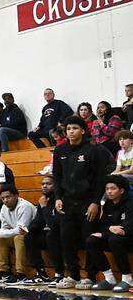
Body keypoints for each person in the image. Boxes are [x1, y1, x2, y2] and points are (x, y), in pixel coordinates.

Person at [53, 116, 116, 290]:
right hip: (66, 201)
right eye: (68, 129)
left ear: (82, 130)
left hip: (87, 201)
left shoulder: (93, 150)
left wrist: (96, 202)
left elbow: (100, 178)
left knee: (88, 237)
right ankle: (73, 275)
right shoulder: (60, 151)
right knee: (66, 239)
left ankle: (89, 276)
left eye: (74, 128)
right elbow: (57, 177)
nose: (71, 131)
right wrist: (58, 197)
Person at [86, 176, 133, 292]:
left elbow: (127, 228)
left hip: (130, 238)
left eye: (113, 188)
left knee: (114, 239)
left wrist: (108, 232)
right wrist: (109, 230)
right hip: (115, 238)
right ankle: (109, 278)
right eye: (107, 189)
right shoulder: (108, 204)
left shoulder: (130, 203)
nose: (109, 191)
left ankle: (127, 278)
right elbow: (104, 225)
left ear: (121, 190)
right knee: (92, 240)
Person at [0, 184, 36, 284]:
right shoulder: (4, 208)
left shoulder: (24, 206)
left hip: (33, 236)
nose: (5, 200)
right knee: (1, 238)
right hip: (17, 235)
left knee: (18, 237)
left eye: (8, 197)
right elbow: (4, 228)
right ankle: (4, 271)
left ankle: (20, 274)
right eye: (3, 198)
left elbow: (22, 230)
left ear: (16, 196)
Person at [21, 176, 63, 286]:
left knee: (51, 235)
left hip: (63, 234)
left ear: (56, 186)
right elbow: (38, 222)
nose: (44, 186)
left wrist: (44, 207)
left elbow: (54, 225)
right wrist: (28, 230)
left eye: (48, 184)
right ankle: (41, 273)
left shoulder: (60, 201)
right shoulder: (44, 200)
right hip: (52, 234)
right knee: (29, 236)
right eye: (43, 183)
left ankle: (59, 274)